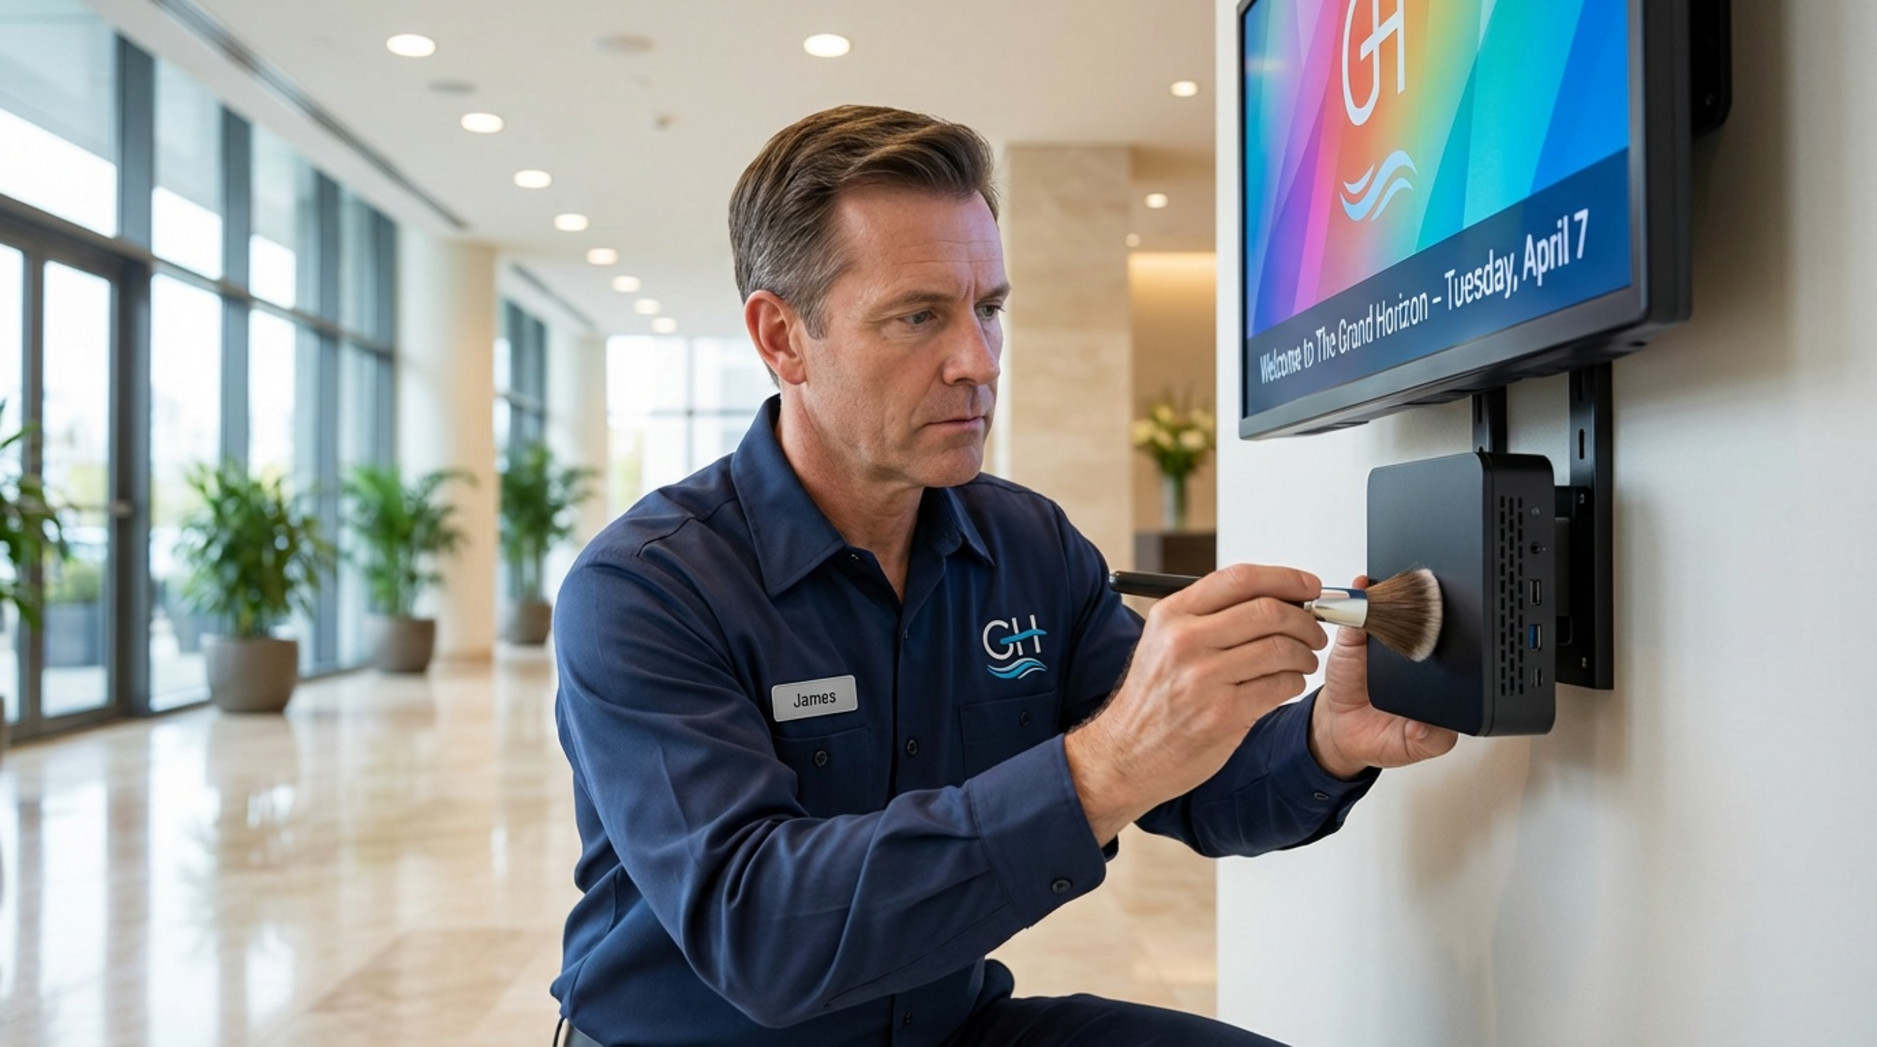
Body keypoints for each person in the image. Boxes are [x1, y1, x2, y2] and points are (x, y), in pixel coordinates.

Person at [550, 105, 1458, 1047]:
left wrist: (1324, 737)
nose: (977, 362)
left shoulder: (1029, 544)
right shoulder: (643, 590)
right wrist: (1100, 768)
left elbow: (1196, 782)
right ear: (782, 337)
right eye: (917, 317)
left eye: (988, 308)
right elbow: (762, 934)